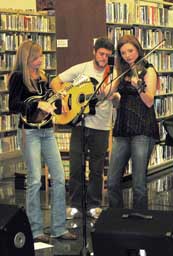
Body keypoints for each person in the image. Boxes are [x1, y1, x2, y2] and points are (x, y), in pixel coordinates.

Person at [8, 40, 77, 242]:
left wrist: (61, 103)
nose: (41, 60)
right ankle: (35, 230)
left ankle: (59, 228)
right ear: (27, 58)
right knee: (35, 179)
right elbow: (13, 105)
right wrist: (37, 105)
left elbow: (51, 101)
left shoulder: (44, 77)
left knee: (58, 177)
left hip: (47, 131)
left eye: (41, 57)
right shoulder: (18, 78)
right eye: (37, 57)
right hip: (30, 132)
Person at [51, 37, 116, 219]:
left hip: (101, 126)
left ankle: (94, 204)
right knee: (76, 165)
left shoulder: (112, 73)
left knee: (96, 167)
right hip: (79, 124)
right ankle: (75, 204)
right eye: (101, 54)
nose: (104, 58)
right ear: (94, 51)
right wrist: (64, 95)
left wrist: (112, 94)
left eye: (108, 55)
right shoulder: (82, 68)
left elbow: (114, 94)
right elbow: (55, 81)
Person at [107, 34, 159, 210]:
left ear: (137, 49)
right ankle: (115, 218)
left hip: (142, 128)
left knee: (138, 182)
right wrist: (110, 93)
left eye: (130, 50)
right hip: (122, 127)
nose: (127, 55)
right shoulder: (121, 70)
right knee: (113, 180)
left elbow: (149, 101)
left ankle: (140, 220)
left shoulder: (148, 70)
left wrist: (139, 87)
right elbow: (113, 97)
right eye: (123, 53)